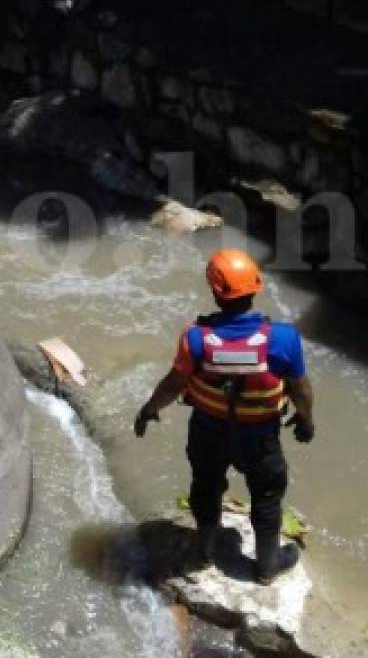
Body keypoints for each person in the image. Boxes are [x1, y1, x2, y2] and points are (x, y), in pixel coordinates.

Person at [134, 248, 315, 584]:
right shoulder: (282, 339)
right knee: (266, 496)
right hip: (259, 436)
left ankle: (203, 552)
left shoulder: (195, 339)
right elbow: (301, 388)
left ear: (215, 291)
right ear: (255, 288)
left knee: (206, 487)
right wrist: (306, 419)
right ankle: (266, 568)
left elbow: (174, 384)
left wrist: (149, 410)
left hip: (208, 432)